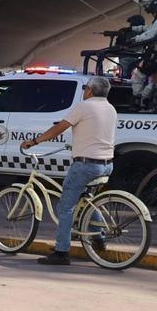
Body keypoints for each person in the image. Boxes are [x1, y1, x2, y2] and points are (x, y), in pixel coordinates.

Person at [20, 75, 116, 266]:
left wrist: (35, 141)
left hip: (85, 165)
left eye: (85, 88)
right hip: (106, 165)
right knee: (86, 199)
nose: (84, 91)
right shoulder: (110, 108)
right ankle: (98, 238)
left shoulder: (84, 106)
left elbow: (60, 128)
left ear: (90, 90)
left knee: (65, 207)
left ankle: (61, 252)